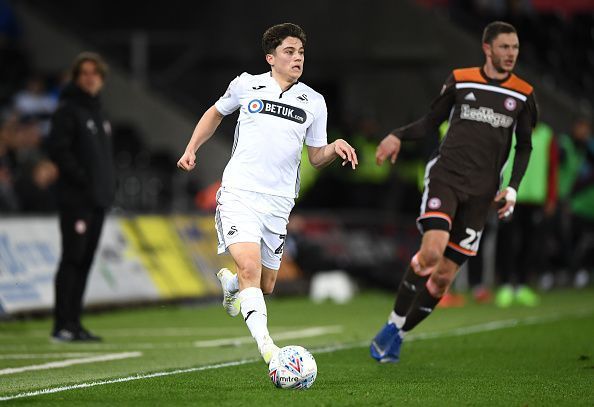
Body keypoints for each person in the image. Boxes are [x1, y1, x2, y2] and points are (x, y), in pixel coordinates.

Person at [177, 23, 357, 364]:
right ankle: (270, 351)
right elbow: (215, 113)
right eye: (289, 52)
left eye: (301, 52)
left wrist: (334, 146)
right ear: (270, 57)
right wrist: (191, 148)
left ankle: (232, 289)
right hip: (240, 192)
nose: (297, 58)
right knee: (249, 268)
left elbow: (317, 157)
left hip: (278, 203)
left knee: (266, 284)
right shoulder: (247, 85)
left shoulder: (314, 102)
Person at [370, 21, 538, 363]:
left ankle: (398, 334)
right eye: (504, 47)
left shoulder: (523, 94)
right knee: (431, 254)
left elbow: (524, 147)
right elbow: (431, 121)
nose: (511, 54)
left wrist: (513, 189)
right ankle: (393, 323)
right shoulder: (461, 79)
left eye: (515, 48)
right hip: (446, 177)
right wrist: (398, 135)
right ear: (487, 48)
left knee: (443, 278)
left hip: (482, 194)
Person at [47, 52, 115, 342]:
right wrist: (85, 181)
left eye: (95, 73)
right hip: (77, 200)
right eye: (84, 73)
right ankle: (62, 324)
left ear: (101, 79)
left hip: (97, 200)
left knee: (85, 261)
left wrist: (106, 187)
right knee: (72, 259)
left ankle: (74, 323)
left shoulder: (98, 113)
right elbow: (58, 151)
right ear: (76, 78)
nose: (90, 78)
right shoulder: (68, 110)